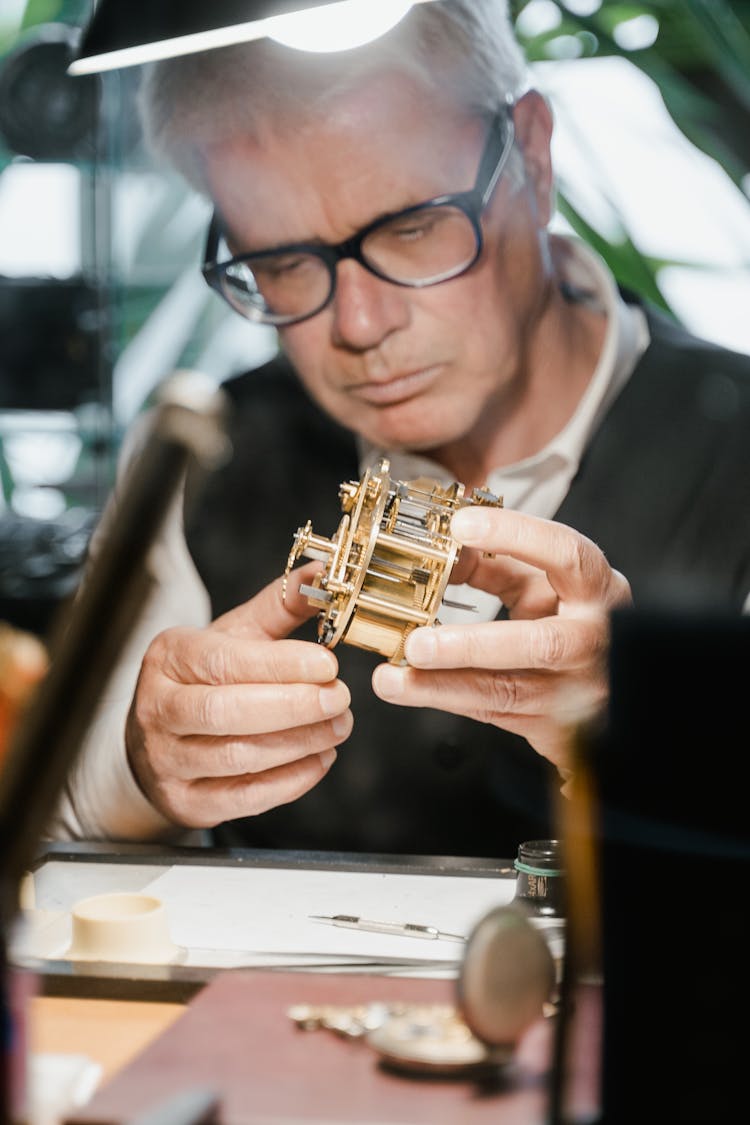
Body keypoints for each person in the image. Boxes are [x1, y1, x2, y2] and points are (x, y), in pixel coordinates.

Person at [52, 0, 750, 858]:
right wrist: (142, 759)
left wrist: (651, 732)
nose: (358, 322)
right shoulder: (202, 446)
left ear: (533, 153)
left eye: (413, 228)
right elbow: (54, 806)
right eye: (281, 262)